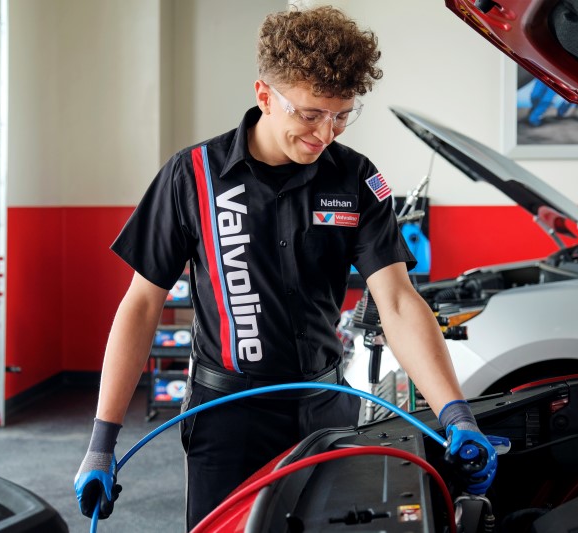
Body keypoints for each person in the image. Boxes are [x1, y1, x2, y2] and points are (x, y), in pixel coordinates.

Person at [74, 5, 497, 529]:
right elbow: (141, 305)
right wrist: (101, 442)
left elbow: (397, 301)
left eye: (342, 115)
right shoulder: (193, 177)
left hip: (326, 410)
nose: (326, 134)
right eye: (310, 114)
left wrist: (456, 415)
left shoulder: (356, 179)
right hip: (226, 418)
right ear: (264, 96)